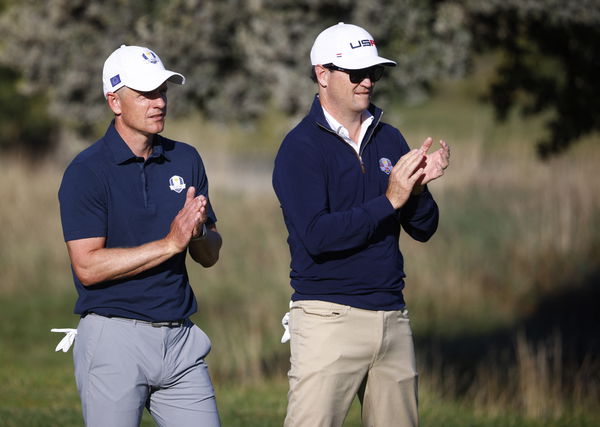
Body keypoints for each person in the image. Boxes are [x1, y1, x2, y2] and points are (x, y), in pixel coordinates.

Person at [273, 23, 450, 427]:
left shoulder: (390, 139)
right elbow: (317, 236)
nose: (367, 81)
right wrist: (390, 199)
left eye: (375, 72)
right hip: (327, 320)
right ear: (323, 74)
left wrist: (417, 192)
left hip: (392, 317)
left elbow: (424, 229)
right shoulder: (300, 148)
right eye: (356, 73)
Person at [58, 45, 222, 427]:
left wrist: (196, 233)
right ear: (114, 101)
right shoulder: (86, 171)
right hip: (114, 339)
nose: (159, 101)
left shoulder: (186, 159)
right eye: (146, 93)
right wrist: (170, 243)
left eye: (162, 91)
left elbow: (210, 254)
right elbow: (87, 267)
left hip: (180, 341)